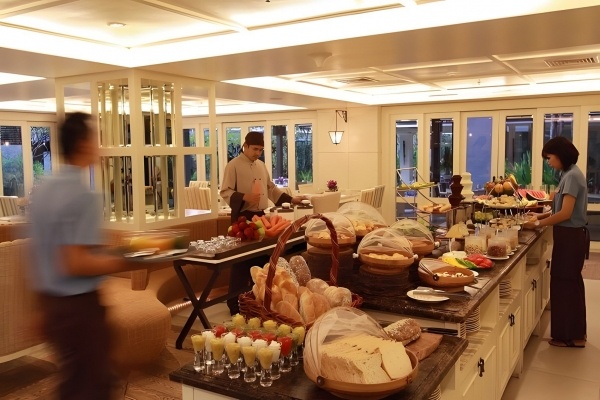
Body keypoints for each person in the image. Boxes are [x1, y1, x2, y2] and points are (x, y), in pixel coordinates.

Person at [29, 112, 133, 399]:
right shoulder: (83, 195)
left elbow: (37, 255)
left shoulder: (42, 190)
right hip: (79, 309)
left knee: (74, 381)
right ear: (84, 144)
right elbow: (75, 262)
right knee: (91, 387)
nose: (100, 145)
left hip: (52, 306)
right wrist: (131, 259)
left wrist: (38, 309)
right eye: (96, 138)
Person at [220, 131, 305, 314]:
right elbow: (225, 191)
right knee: (241, 261)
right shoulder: (233, 166)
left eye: (261, 150)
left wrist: (291, 199)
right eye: (255, 149)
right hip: (242, 219)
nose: (258, 153)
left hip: (260, 217)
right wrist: (245, 197)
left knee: (262, 258)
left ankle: (258, 300)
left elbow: (271, 189)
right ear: (245, 146)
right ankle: (234, 304)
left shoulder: (261, 165)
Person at [523, 136, 589, 348]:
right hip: (569, 236)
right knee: (568, 283)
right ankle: (574, 333)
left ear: (561, 155)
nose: (549, 162)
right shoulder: (569, 174)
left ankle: (569, 336)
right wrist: (538, 216)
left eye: (549, 157)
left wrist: (537, 224)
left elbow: (565, 214)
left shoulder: (572, 176)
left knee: (565, 285)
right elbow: (557, 209)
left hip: (570, 237)